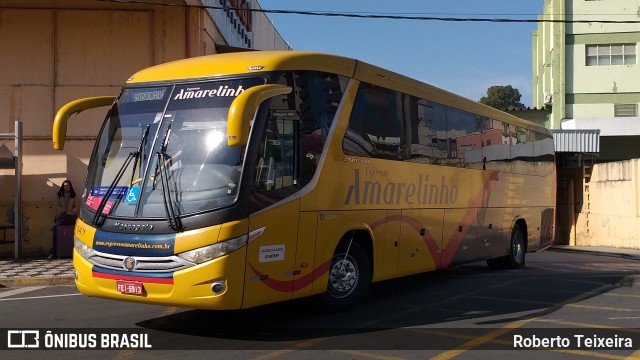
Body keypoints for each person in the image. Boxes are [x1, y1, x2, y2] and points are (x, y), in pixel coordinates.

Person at [49, 180, 80, 259]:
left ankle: (71, 252)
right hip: (61, 217)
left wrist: (72, 212)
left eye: (68, 186)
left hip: (70, 217)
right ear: (62, 186)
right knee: (56, 233)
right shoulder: (58, 195)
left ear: (70, 186)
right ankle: (55, 252)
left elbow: (76, 206)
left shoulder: (73, 196)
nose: (66, 187)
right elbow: (56, 206)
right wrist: (64, 211)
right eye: (65, 186)